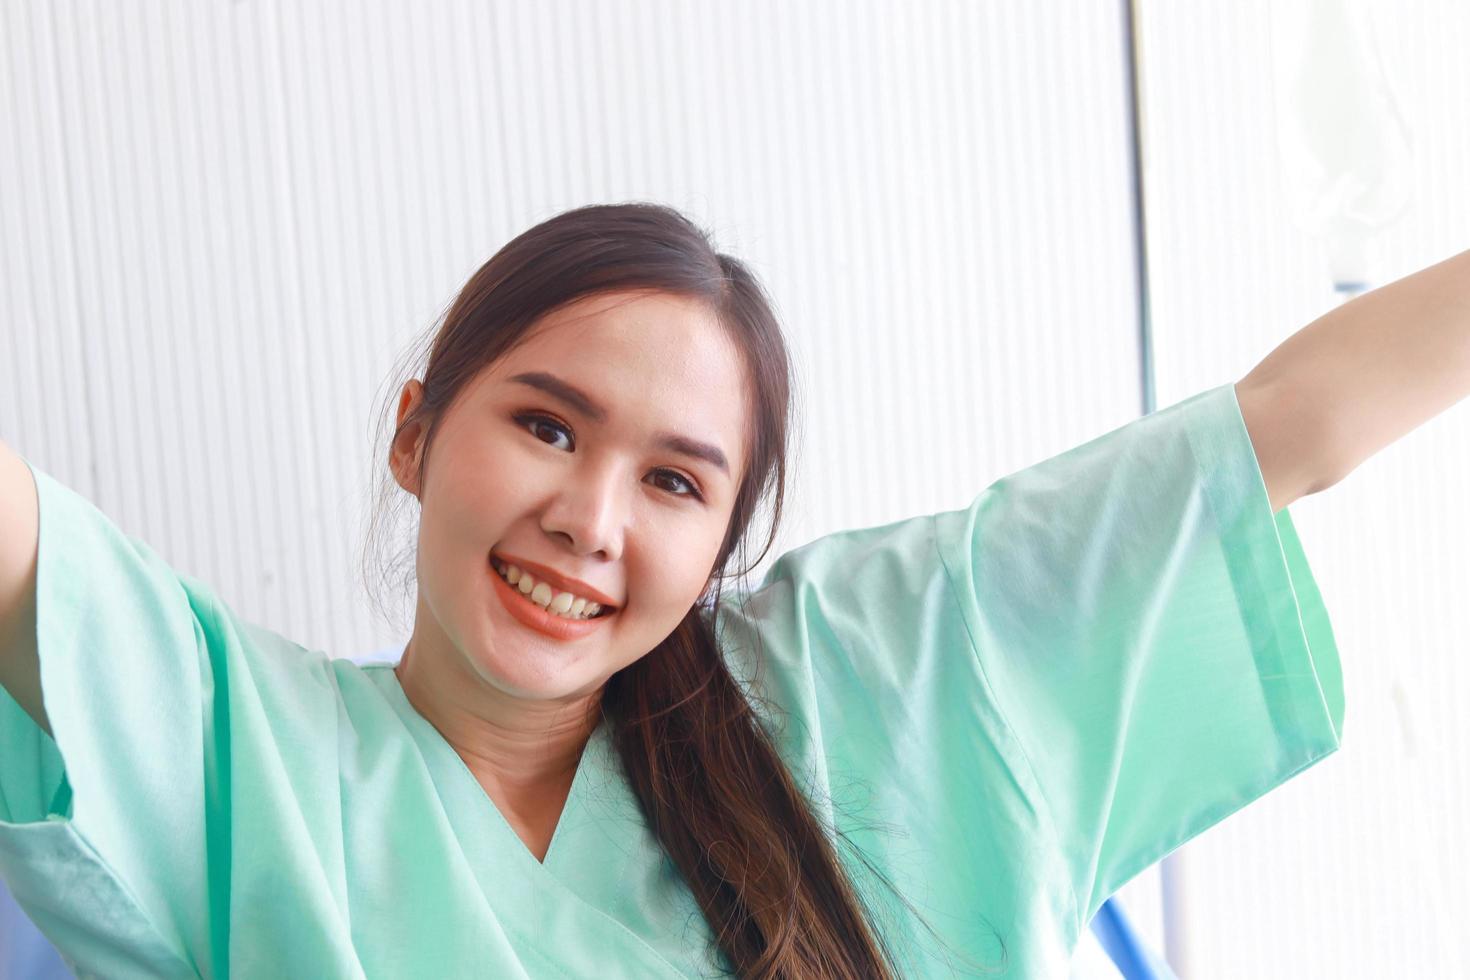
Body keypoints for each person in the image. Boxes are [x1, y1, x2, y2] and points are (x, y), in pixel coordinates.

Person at [0, 201, 1354, 977]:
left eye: (674, 484)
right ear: (413, 435)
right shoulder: (244, 751)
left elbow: (1285, 427)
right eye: (544, 426)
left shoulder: (846, 686)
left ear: (721, 550)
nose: (587, 522)